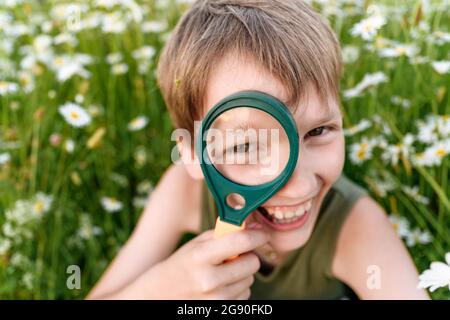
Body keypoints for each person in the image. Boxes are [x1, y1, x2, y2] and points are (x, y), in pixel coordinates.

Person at [88, 0, 429, 299]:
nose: (297, 184)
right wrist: (159, 292)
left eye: (318, 131)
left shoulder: (353, 225)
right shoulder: (184, 191)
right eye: (247, 146)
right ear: (192, 154)